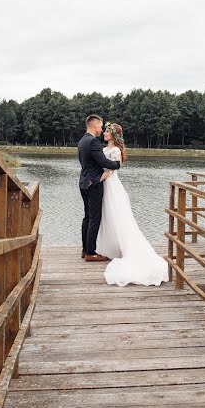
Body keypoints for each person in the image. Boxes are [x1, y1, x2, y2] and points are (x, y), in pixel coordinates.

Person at [96, 122, 169, 286]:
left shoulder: (115, 151)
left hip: (111, 186)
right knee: (107, 216)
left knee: (117, 216)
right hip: (105, 185)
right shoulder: (104, 149)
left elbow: (110, 171)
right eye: (106, 130)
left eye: (108, 131)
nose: (105, 133)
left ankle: (124, 249)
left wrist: (95, 181)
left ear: (114, 135)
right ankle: (110, 247)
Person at [78, 114, 121, 262]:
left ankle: (85, 249)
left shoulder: (82, 141)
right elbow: (103, 161)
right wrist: (117, 165)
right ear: (95, 126)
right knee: (94, 218)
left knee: (87, 217)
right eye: (101, 126)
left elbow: (87, 164)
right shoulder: (94, 142)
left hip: (83, 183)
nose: (101, 129)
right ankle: (91, 252)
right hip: (94, 184)